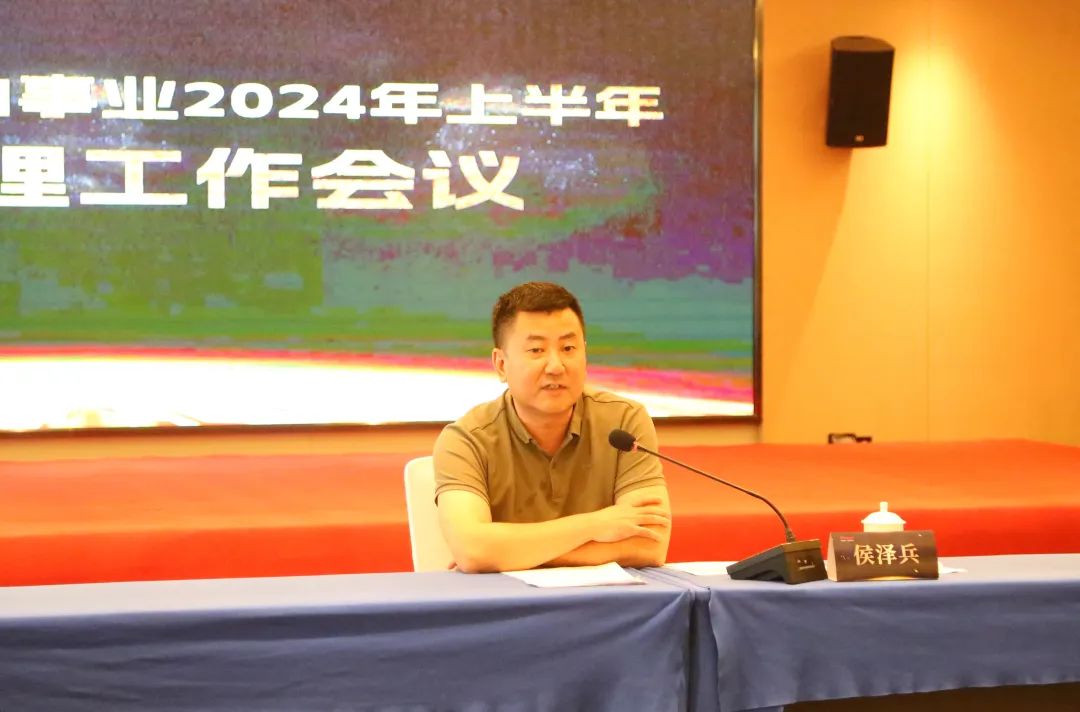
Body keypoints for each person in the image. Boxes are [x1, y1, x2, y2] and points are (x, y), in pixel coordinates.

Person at [433, 281, 671, 573]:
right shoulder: (466, 440)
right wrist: (595, 525)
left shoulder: (624, 422)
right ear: (501, 364)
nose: (556, 366)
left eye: (568, 348)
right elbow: (474, 550)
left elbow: (649, 544)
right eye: (536, 350)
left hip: (605, 599)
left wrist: (511, 554)